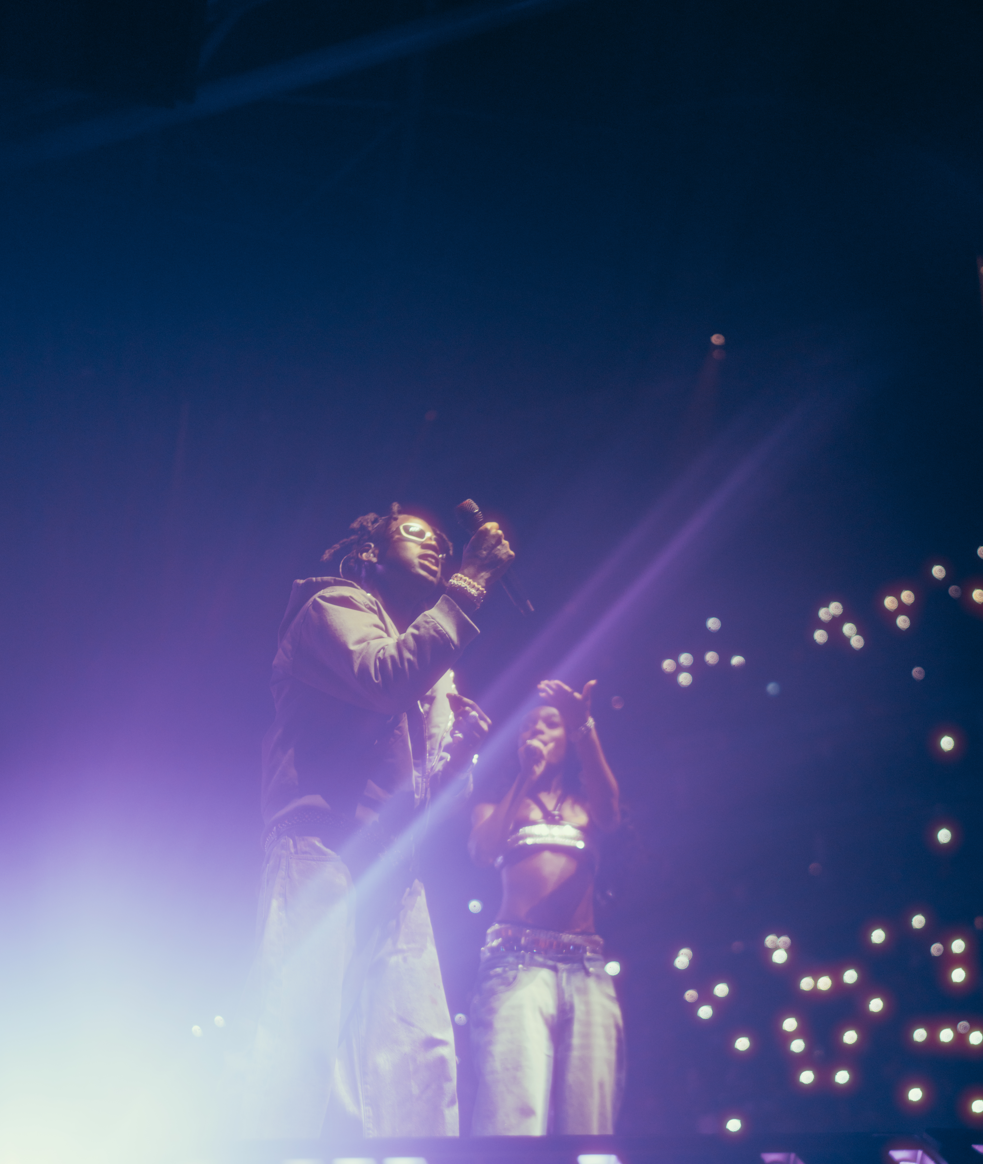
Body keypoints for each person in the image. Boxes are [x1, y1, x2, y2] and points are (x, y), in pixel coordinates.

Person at [240, 503, 513, 1140]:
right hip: (321, 848)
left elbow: (430, 802)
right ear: (370, 552)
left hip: (395, 866)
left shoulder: (430, 659)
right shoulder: (331, 606)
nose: (436, 546)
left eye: (443, 542)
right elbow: (383, 676)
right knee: (301, 1036)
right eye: (415, 534)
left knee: (417, 1052)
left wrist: (459, 756)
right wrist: (471, 581)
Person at [468, 679, 624, 1135]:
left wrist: (584, 727)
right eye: (527, 726)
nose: (536, 730)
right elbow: (482, 850)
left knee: (590, 1127)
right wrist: (525, 778)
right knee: (512, 1119)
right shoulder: (496, 803)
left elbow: (611, 814)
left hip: (586, 966)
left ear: (568, 736)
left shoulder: (585, 804)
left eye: (550, 723)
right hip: (514, 962)